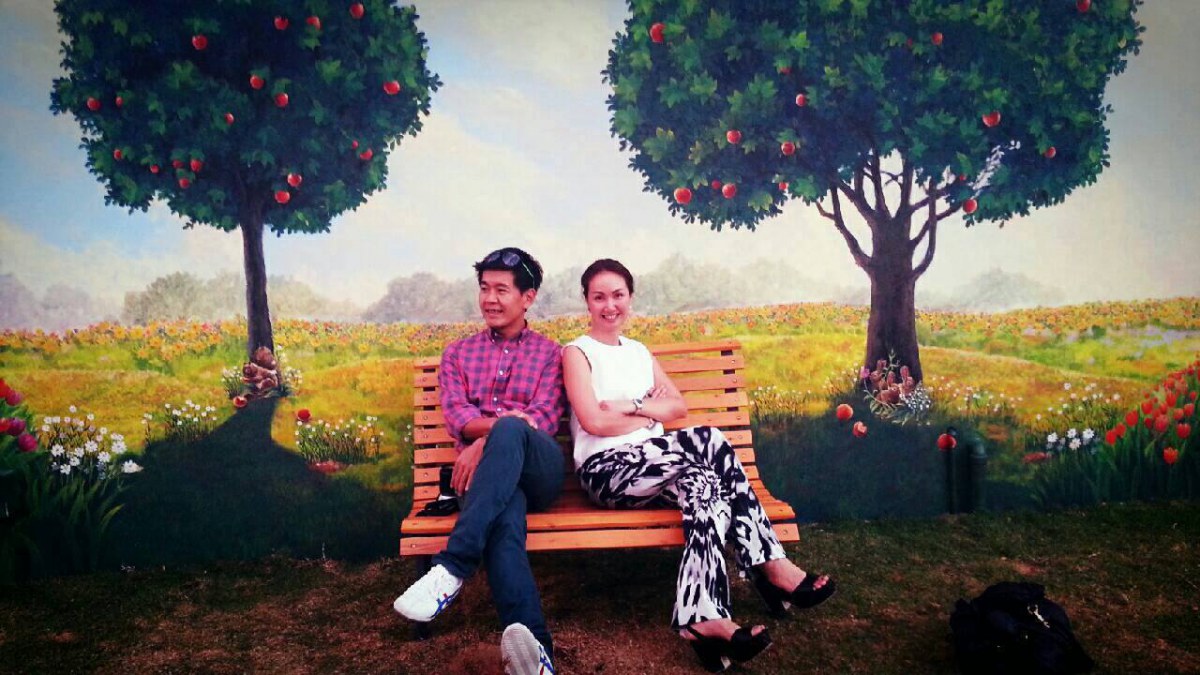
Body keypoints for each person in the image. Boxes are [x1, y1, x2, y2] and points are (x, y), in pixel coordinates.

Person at [562, 259, 836, 673]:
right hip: (608, 471)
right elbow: (594, 422)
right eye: (599, 297)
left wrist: (632, 406)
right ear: (587, 301)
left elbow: (677, 407)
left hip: (658, 465)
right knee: (709, 438)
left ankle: (703, 619)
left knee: (705, 485)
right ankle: (767, 562)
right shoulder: (577, 352)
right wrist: (650, 414)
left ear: (630, 298)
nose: (609, 305)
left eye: (618, 295)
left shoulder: (639, 352)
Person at [394, 247, 563, 675]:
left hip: (539, 471)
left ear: (527, 297)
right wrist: (497, 431)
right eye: (485, 288)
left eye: (501, 290)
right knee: (503, 524)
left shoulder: (550, 354)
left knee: (510, 430)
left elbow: (542, 419)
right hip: (490, 486)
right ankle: (537, 655)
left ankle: (453, 566)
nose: (490, 298)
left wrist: (486, 438)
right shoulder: (457, 354)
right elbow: (457, 416)